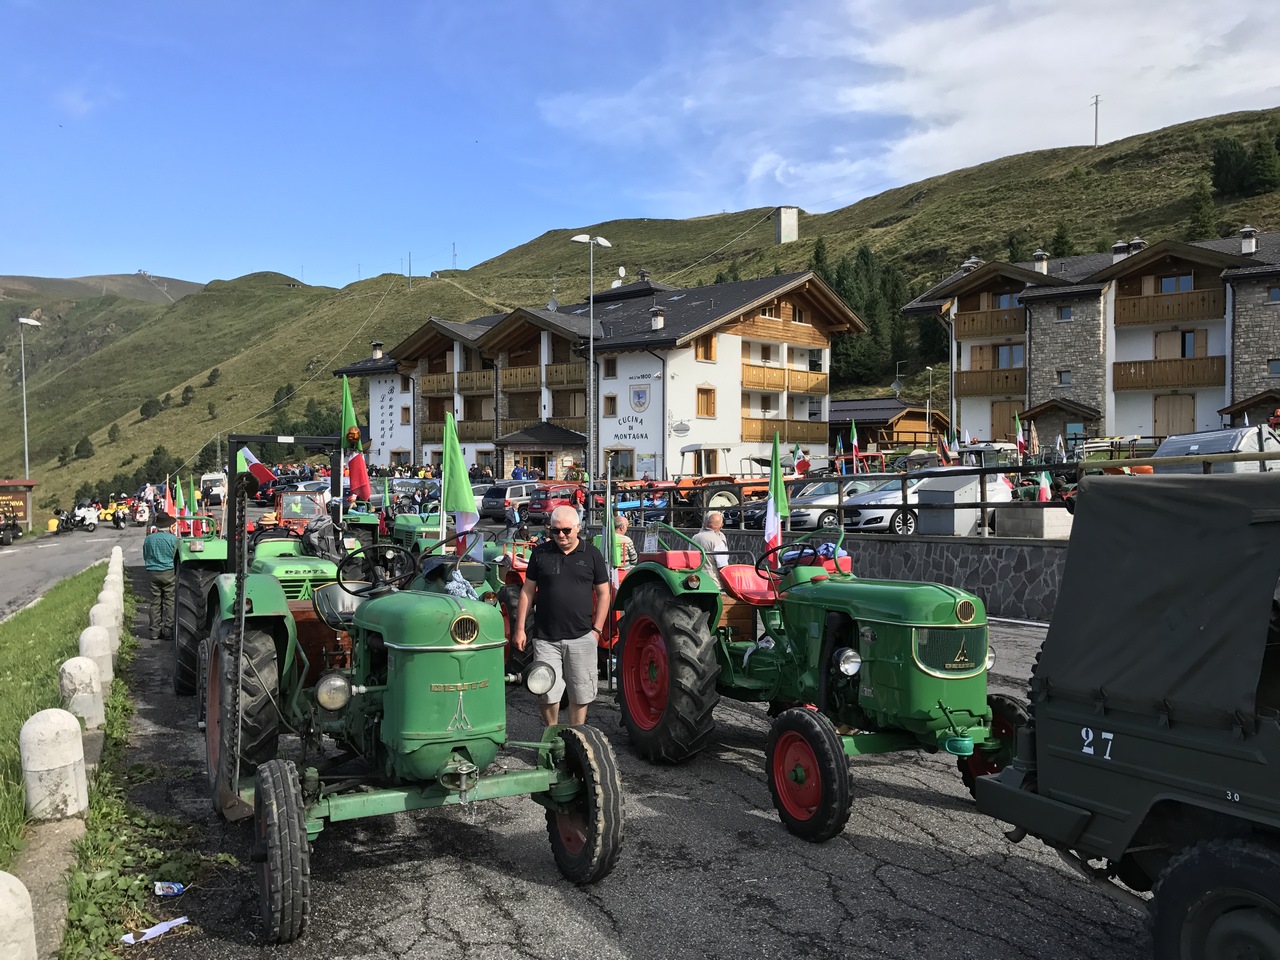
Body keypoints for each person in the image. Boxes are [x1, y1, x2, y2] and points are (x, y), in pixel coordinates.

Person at [513, 506, 609, 727]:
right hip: (546, 637)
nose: (561, 536)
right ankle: (552, 737)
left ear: (578, 528)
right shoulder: (540, 553)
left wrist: (596, 631)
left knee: (581, 692)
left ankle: (576, 737)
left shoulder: (592, 554)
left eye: (566, 530)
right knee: (546, 691)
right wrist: (519, 628)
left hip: (582, 636)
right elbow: (527, 592)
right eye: (555, 531)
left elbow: (604, 594)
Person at [143, 512, 179, 641]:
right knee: (169, 601)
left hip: (153, 572)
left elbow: (145, 556)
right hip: (169, 572)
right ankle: (168, 631)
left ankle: (154, 632)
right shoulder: (173, 539)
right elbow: (176, 557)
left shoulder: (148, 539)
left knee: (155, 602)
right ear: (169, 526)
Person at [692, 510, 730, 586]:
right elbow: (723, 567)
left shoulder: (694, 538)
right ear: (721, 525)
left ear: (706, 523)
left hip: (696, 581)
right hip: (714, 582)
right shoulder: (718, 541)